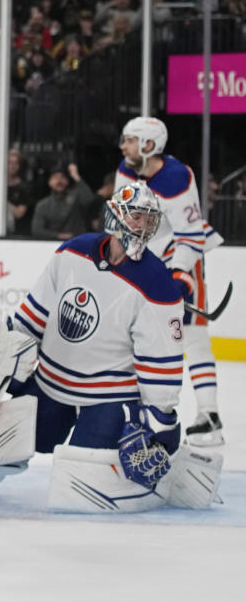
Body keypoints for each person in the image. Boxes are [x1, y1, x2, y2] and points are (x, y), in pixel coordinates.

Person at [0, 182, 220, 512]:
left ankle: (169, 471)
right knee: (2, 441)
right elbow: (32, 317)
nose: (145, 228)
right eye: (137, 217)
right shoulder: (73, 252)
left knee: (82, 477)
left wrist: (159, 424)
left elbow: (160, 362)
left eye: (151, 220)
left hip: (109, 397)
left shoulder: (156, 283)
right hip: (52, 385)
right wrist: (8, 366)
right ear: (116, 217)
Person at [115, 117, 226, 445]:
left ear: (149, 146)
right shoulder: (126, 168)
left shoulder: (177, 177)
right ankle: (129, 410)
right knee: (131, 336)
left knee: (193, 335)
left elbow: (191, 235)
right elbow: (127, 221)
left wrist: (180, 274)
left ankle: (210, 415)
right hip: (145, 258)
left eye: (130, 140)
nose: (124, 146)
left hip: (180, 257)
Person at [31, 163, 96, 240]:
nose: (59, 181)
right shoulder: (43, 205)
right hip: (52, 246)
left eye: (63, 177)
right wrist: (58, 236)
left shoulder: (77, 197)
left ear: (68, 181)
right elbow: (36, 230)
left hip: (78, 243)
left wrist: (76, 176)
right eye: (55, 178)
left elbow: (90, 199)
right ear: (49, 182)